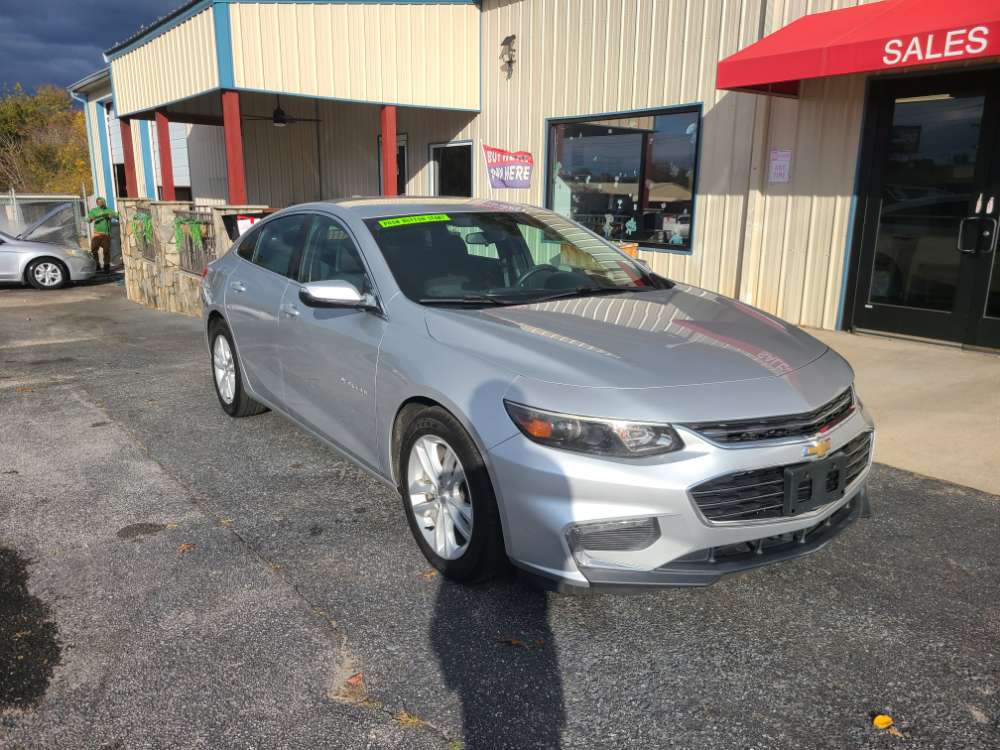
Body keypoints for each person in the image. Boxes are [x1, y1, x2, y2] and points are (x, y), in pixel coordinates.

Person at [87, 197, 117, 273]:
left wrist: (112, 216)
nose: (100, 203)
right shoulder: (94, 210)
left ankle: (106, 266)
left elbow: (117, 216)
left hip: (106, 234)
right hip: (97, 234)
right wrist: (90, 218)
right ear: (97, 203)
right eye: (98, 202)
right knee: (94, 250)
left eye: (101, 202)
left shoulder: (109, 210)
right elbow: (88, 220)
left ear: (104, 202)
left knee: (106, 251)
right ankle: (97, 265)